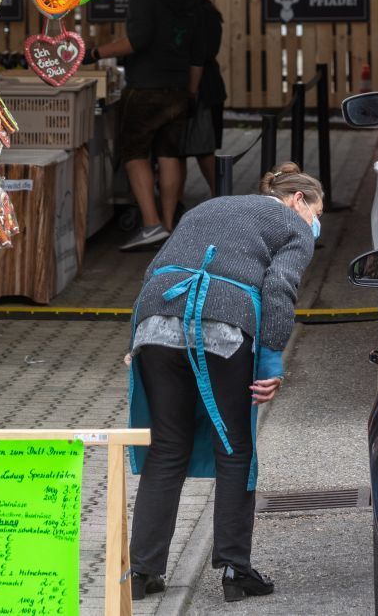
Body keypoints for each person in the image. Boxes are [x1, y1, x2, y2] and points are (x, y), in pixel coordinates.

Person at [127, 163, 323, 603]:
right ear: (297, 200)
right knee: (235, 451)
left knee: (167, 448)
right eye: (316, 212)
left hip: (156, 323)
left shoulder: (208, 206)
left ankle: (142, 572)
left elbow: (157, 268)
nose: (315, 224)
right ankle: (236, 571)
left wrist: (136, 336)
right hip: (223, 326)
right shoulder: (291, 223)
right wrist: (271, 363)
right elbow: (279, 289)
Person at [90, 0, 199, 251]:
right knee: (169, 154)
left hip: (146, 86)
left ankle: (151, 225)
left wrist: (96, 53)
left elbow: (137, 40)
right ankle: (168, 225)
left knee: (134, 152)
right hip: (177, 84)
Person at [174, 0, 227, 193]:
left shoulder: (204, 13)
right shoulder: (179, 12)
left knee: (203, 148)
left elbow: (204, 52)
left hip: (202, 89)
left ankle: (222, 196)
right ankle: (177, 200)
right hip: (189, 87)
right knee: (178, 151)